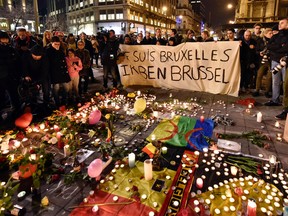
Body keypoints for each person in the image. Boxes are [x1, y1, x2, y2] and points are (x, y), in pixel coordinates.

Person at [265, 18, 288, 108]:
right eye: (279, 23)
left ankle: (285, 104)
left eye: (282, 23)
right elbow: (269, 46)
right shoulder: (275, 36)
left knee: (286, 82)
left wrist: (278, 48)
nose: (280, 25)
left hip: (285, 62)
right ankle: (275, 99)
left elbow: (286, 48)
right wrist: (280, 46)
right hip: (275, 61)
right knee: (275, 81)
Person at [46, 36, 71, 107]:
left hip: (62, 73)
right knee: (55, 89)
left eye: (58, 44)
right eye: (55, 44)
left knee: (66, 87)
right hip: (54, 73)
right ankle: (57, 102)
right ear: (51, 43)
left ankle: (63, 100)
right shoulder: (48, 51)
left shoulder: (61, 50)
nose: (57, 46)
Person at [0, 31, 21, 113]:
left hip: (12, 76)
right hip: (1, 77)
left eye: (6, 39)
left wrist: (18, 74)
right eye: (2, 39)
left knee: (14, 95)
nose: (5, 41)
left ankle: (16, 111)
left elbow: (18, 62)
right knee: (1, 96)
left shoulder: (12, 49)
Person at [252, 28, 273, 97]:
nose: (271, 34)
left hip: (271, 60)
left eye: (272, 33)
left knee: (269, 77)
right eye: (270, 33)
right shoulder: (260, 41)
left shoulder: (274, 40)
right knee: (259, 75)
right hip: (262, 61)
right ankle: (257, 90)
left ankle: (267, 91)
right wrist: (259, 53)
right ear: (265, 34)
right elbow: (256, 50)